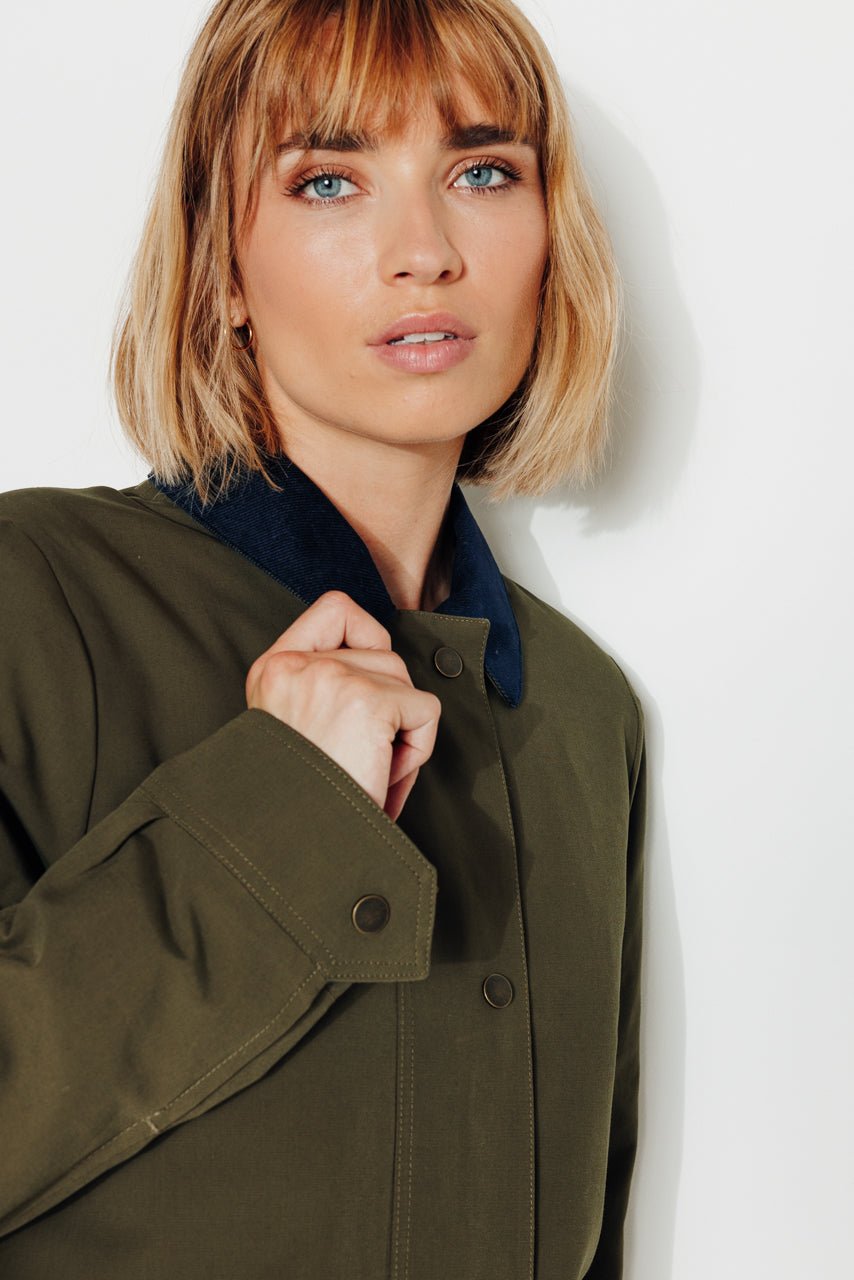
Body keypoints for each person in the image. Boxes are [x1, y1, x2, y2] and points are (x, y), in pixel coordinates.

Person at [0, 0, 647, 1276]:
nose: (425, 252)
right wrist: (275, 811)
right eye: (329, 180)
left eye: (481, 171)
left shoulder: (579, 712)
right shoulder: (35, 595)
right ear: (222, 267)